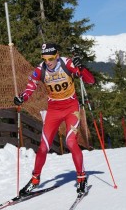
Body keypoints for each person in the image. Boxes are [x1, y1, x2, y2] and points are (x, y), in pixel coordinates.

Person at [14, 43, 95, 196]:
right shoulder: (41, 69)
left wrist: (82, 68)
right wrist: (22, 98)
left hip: (71, 108)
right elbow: (31, 85)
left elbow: (90, 81)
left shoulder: (67, 64)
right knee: (43, 147)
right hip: (54, 110)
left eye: (51, 58)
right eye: (45, 58)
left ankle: (81, 178)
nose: (48, 62)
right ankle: (35, 180)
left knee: (71, 142)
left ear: (57, 56)